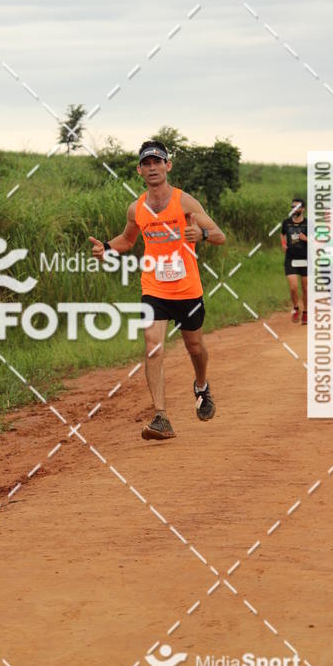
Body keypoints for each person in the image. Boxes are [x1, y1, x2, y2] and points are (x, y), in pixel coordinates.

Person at [88, 139, 226, 441]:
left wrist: (201, 234)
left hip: (188, 289)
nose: (152, 168)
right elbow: (127, 240)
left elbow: (219, 235)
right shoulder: (136, 208)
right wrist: (107, 248)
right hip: (154, 288)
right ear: (139, 170)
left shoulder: (185, 202)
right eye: (146, 164)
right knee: (153, 346)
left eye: (157, 162)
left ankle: (201, 385)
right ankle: (161, 416)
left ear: (168, 166)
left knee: (195, 348)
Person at [280, 197, 308, 324]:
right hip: (290, 258)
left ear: (303, 209)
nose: (294, 209)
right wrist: (283, 243)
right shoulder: (286, 222)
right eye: (292, 207)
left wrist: (306, 238)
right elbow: (282, 234)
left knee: (305, 288)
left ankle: (306, 312)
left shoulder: (308, 224)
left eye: (296, 207)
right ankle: (296, 308)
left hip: (305, 258)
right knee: (293, 288)